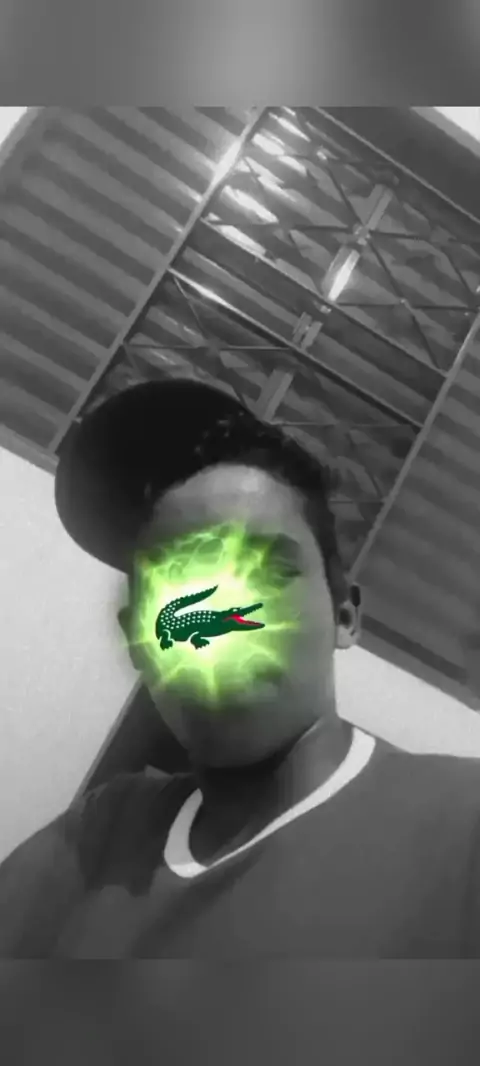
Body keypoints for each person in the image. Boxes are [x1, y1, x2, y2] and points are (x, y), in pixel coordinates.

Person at [1, 377, 480, 959]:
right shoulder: (99, 834)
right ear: (137, 642)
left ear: (344, 616)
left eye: (266, 570)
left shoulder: (462, 832)